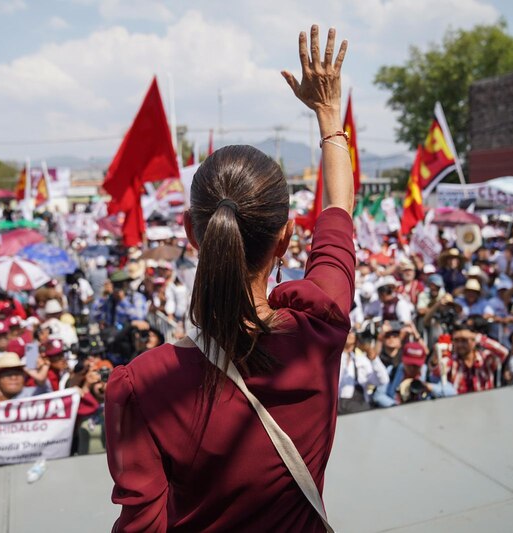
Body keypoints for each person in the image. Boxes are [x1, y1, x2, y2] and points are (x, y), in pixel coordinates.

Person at [105, 26, 354, 531]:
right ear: (286, 237)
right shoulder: (319, 329)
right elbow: (338, 208)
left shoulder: (141, 386)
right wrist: (329, 116)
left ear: (190, 233)